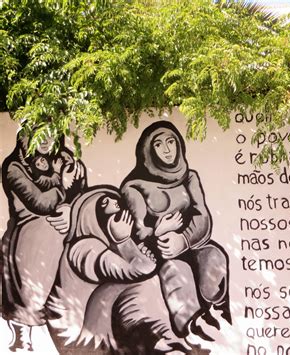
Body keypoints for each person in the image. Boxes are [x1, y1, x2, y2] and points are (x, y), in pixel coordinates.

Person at [46, 186, 192, 354]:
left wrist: (135, 242)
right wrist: (124, 242)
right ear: (90, 217)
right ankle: (158, 340)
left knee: (168, 270)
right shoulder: (82, 248)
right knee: (140, 282)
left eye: (113, 199)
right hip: (79, 338)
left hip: (97, 324)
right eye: (104, 203)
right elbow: (140, 270)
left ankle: (162, 337)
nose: (115, 202)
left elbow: (147, 264)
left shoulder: (105, 244)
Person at [121, 121, 230, 342]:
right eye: (159, 144)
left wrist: (184, 239)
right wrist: (159, 231)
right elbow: (136, 231)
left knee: (215, 257)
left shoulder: (189, 177)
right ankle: (194, 332)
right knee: (177, 273)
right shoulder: (134, 186)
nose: (168, 149)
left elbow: (203, 217)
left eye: (171, 142)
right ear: (149, 150)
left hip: (191, 245)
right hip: (160, 253)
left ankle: (218, 308)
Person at [1, 132, 87, 351]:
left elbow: (81, 192)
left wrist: (71, 212)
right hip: (30, 229)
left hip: (66, 225)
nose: (46, 140)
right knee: (46, 233)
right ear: (25, 138)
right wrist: (62, 185)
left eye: (51, 134)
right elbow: (39, 203)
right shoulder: (15, 167)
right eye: (39, 134)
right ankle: (24, 327)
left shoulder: (66, 159)